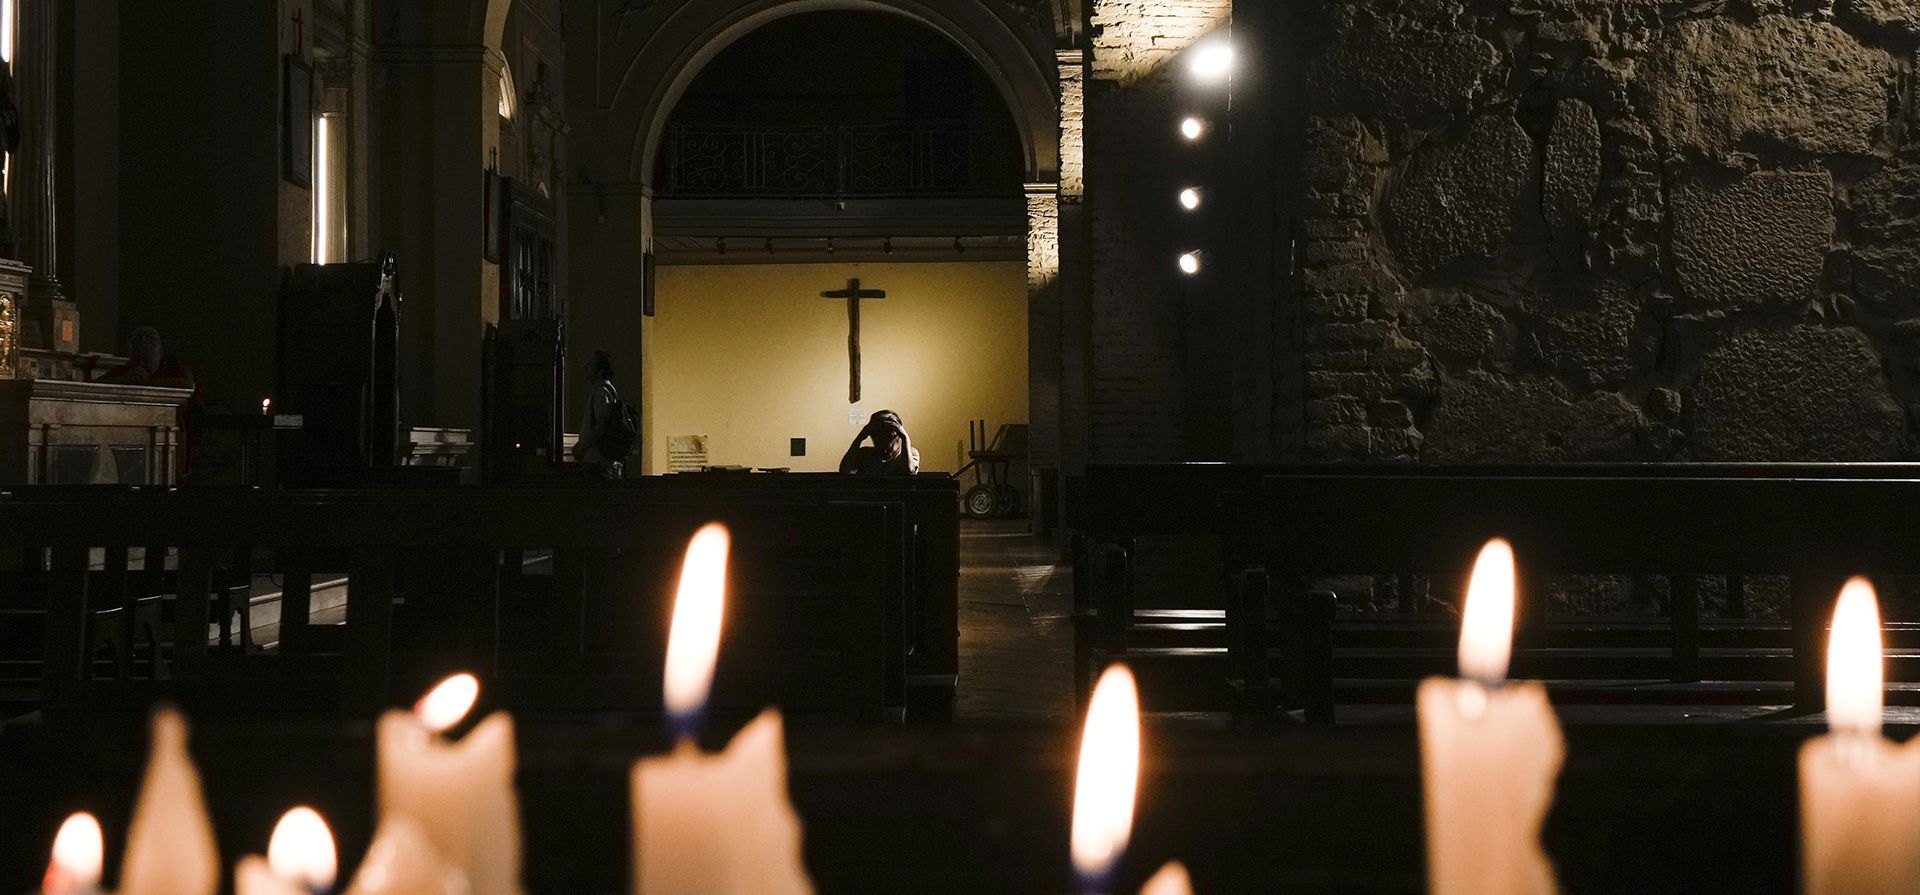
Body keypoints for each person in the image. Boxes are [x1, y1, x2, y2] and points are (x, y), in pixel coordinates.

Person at [98, 326, 202, 480]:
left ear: (159, 355)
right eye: (136, 359)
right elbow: (98, 385)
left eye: (146, 359)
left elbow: (187, 386)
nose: (141, 365)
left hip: (172, 441)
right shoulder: (125, 371)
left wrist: (149, 382)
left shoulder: (174, 370)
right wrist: (123, 381)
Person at [573, 351, 632, 479]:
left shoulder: (601, 392)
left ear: (600, 371)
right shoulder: (606, 391)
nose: (586, 367)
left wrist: (582, 447)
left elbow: (600, 425)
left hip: (597, 460)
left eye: (591, 364)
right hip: (599, 460)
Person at [840, 410, 920, 475]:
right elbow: (845, 471)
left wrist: (905, 438)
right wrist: (860, 437)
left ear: (897, 433)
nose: (881, 435)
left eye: (887, 430)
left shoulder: (910, 453)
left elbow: (909, 473)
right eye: (876, 430)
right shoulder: (864, 453)